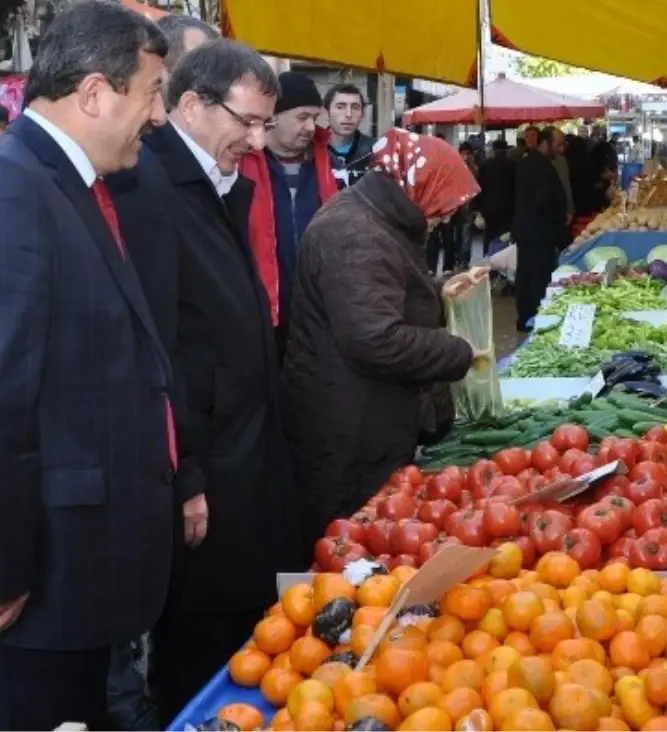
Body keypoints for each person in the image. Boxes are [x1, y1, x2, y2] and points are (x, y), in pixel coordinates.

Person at [110, 40, 304, 722]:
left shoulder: (213, 180)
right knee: (200, 650)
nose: (255, 141)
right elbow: (154, 342)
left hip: (245, 455)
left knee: (241, 639)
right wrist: (186, 470)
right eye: (245, 123)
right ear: (191, 105)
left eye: (262, 125)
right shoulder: (151, 185)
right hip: (209, 470)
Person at [0, 3, 173, 729]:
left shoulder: (66, 183)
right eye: (154, 91)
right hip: (42, 589)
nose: (159, 116)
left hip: (81, 574)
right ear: (97, 93)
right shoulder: (16, 191)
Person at [281, 130, 485, 548]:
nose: (446, 217)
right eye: (444, 205)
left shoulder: (376, 218)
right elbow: (374, 339)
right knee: (348, 541)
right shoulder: (357, 234)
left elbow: (382, 295)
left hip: (362, 412)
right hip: (349, 426)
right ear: (416, 185)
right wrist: (458, 353)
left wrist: (438, 291)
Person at [240, 70, 338, 358]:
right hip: (261, 314)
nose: (311, 127)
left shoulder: (325, 163)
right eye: (302, 117)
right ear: (275, 116)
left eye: (315, 117)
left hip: (318, 313)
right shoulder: (242, 162)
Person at [513, 126, 569, 332]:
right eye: (559, 144)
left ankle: (525, 317)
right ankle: (536, 318)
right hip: (539, 232)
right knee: (537, 277)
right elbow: (543, 201)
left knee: (525, 274)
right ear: (546, 142)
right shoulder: (542, 166)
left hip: (526, 230)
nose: (561, 149)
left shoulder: (526, 163)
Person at [325, 83, 375, 189]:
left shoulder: (375, 151)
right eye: (340, 107)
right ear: (327, 112)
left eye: (355, 107)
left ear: (363, 114)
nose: (348, 114)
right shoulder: (313, 152)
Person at [477, 138, 518, 250]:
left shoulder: (486, 166)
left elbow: (480, 187)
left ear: (494, 150)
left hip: (489, 208)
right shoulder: (513, 166)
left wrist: (478, 208)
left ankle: (488, 259)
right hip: (508, 208)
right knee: (506, 237)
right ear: (506, 150)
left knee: (489, 236)